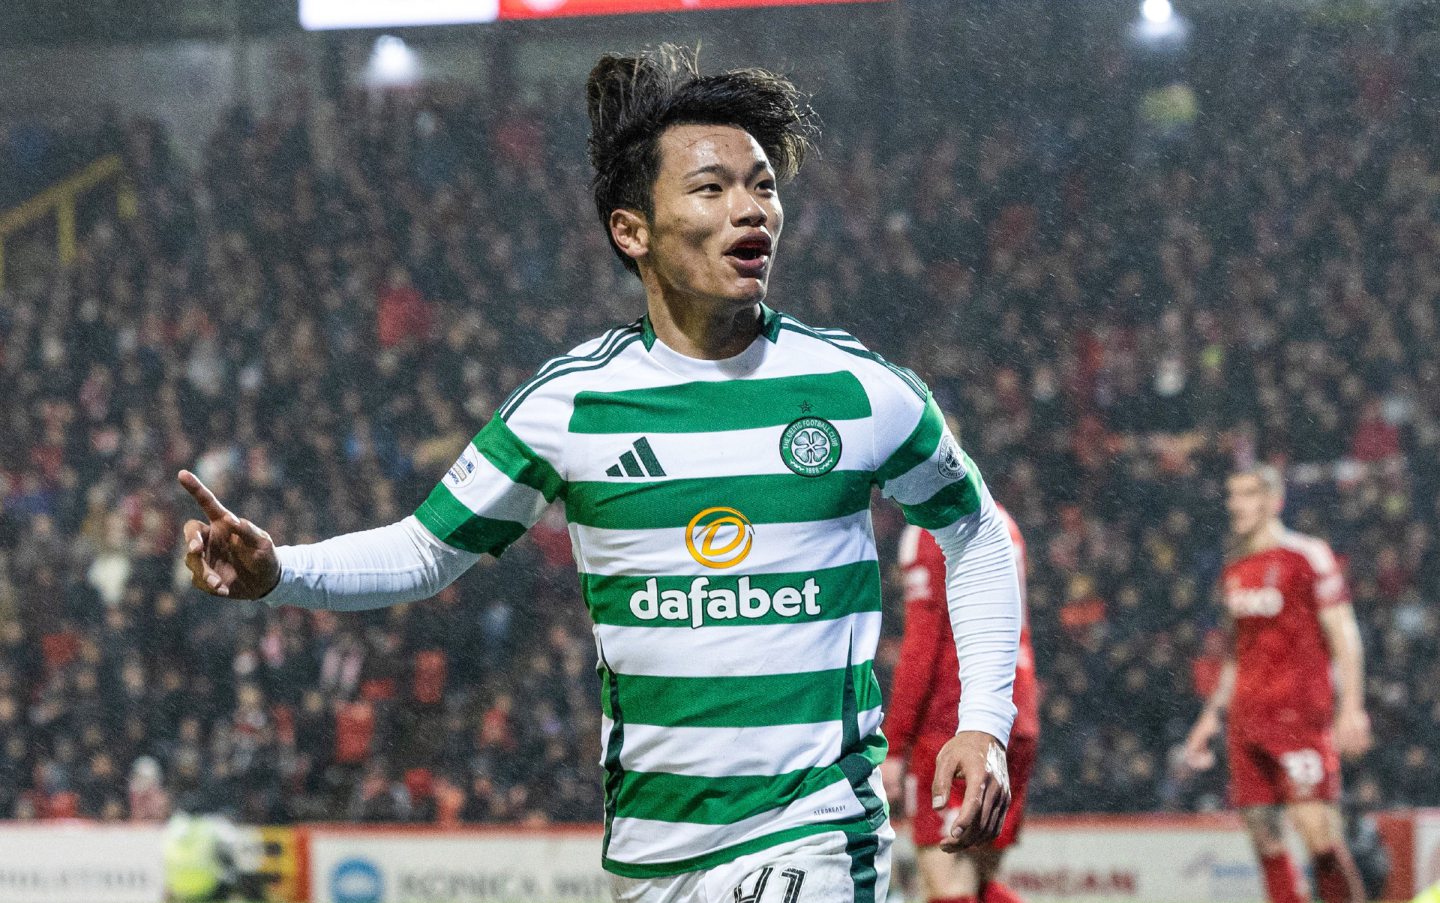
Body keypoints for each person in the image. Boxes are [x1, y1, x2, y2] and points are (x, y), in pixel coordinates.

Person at [178, 45, 1021, 902]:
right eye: (712, 188)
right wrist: (281, 572)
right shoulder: (571, 405)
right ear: (632, 229)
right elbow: (426, 550)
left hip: (815, 828)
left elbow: (978, 529)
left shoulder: (856, 390)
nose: (751, 210)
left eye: (763, 185)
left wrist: (984, 721)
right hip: (650, 853)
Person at [1182, 464, 1372, 903]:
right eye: (1232, 495)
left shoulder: (1307, 556)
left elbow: (1343, 632)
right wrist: (1210, 718)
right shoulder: (1235, 566)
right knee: (1265, 840)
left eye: (1247, 495)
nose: (1236, 504)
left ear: (1274, 500)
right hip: (1247, 724)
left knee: (1319, 835)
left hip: (1300, 718)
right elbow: (1235, 653)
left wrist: (1352, 707)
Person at [882, 503, 1037, 903]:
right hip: (1012, 716)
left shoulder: (931, 529)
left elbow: (922, 646)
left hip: (954, 725)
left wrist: (895, 744)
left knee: (947, 888)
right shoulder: (1001, 518)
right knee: (981, 885)